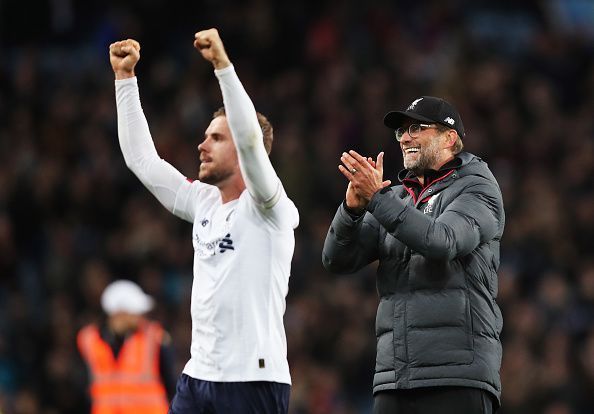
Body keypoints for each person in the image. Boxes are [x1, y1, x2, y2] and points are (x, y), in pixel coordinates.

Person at [108, 28, 299, 414]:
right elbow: (141, 161)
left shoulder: (269, 207)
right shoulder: (204, 203)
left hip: (252, 381)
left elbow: (249, 141)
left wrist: (223, 68)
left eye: (216, 138)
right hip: (197, 378)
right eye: (205, 136)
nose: (202, 145)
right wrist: (125, 80)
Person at [322, 96, 505, 413]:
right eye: (401, 132)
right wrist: (351, 210)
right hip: (395, 379)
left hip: (457, 376)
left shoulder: (477, 187)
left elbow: (443, 241)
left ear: (449, 138)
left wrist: (377, 199)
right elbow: (336, 259)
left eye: (417, 128)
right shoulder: (397, 197)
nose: (405, 137)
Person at [77, 279, 176, 414]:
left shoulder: (155, 338)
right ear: (119, 313)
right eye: (135, 312)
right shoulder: (89, 340)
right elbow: (84, 385)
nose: (140, 316)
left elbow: (171, 384)